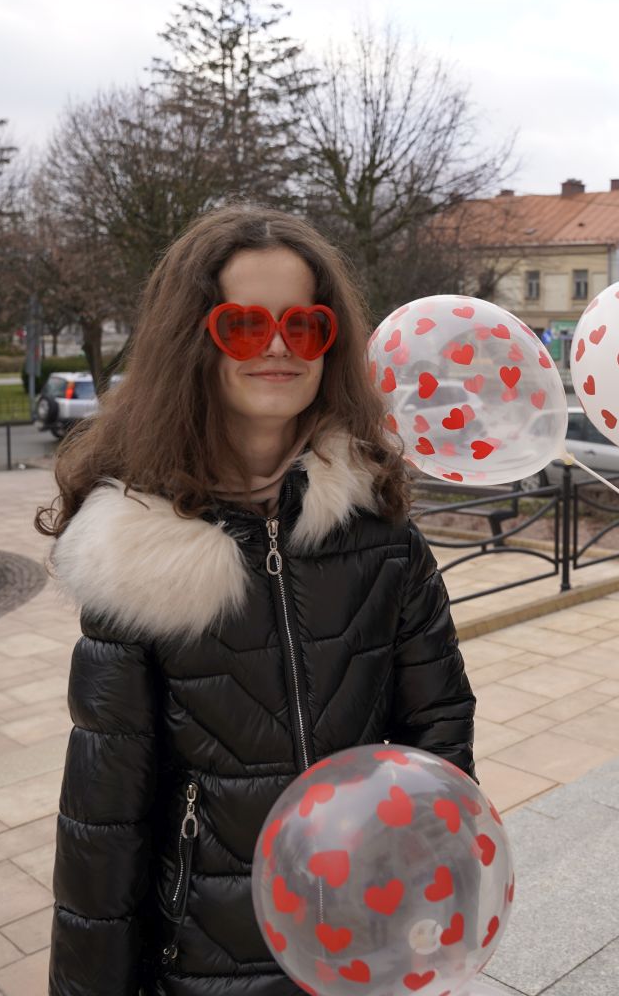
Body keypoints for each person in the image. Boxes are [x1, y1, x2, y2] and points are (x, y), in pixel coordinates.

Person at [39, 206, 476, 996]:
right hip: (211, 956)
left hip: (368, 934)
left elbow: (440, 733)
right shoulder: (134, 553)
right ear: (194, 342)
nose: (279, 346)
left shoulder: (381, 530)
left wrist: (436, 897)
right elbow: (103, 824)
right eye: (244, 325)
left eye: (305, 325)